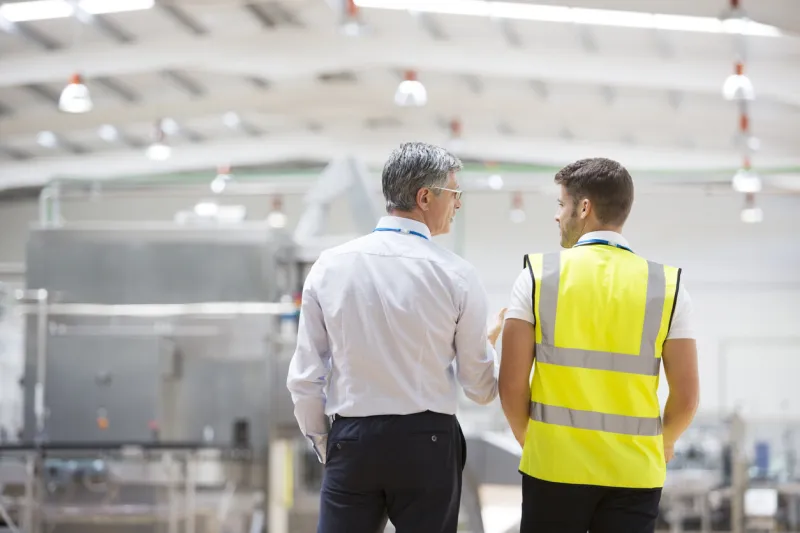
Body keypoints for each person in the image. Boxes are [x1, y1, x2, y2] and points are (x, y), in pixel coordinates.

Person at [286, 142, 505, 533]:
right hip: (428, 443)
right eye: (454, 193)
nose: (458, 204)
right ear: (425, 197)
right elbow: (479, 387)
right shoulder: (456, 275)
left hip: (352, 439)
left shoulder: (329, 266)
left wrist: (327, 443)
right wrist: (489, 343)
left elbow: (305, 377)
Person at [499, 157, 700, 533]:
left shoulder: (537, 277)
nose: (557, 215)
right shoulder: (668, 287)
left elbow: (510, 385)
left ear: (584, 208)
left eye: (561, 204)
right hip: (634, 473)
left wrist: (534, 441)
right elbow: (687, 398)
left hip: (553, 467)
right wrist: (664, 442)